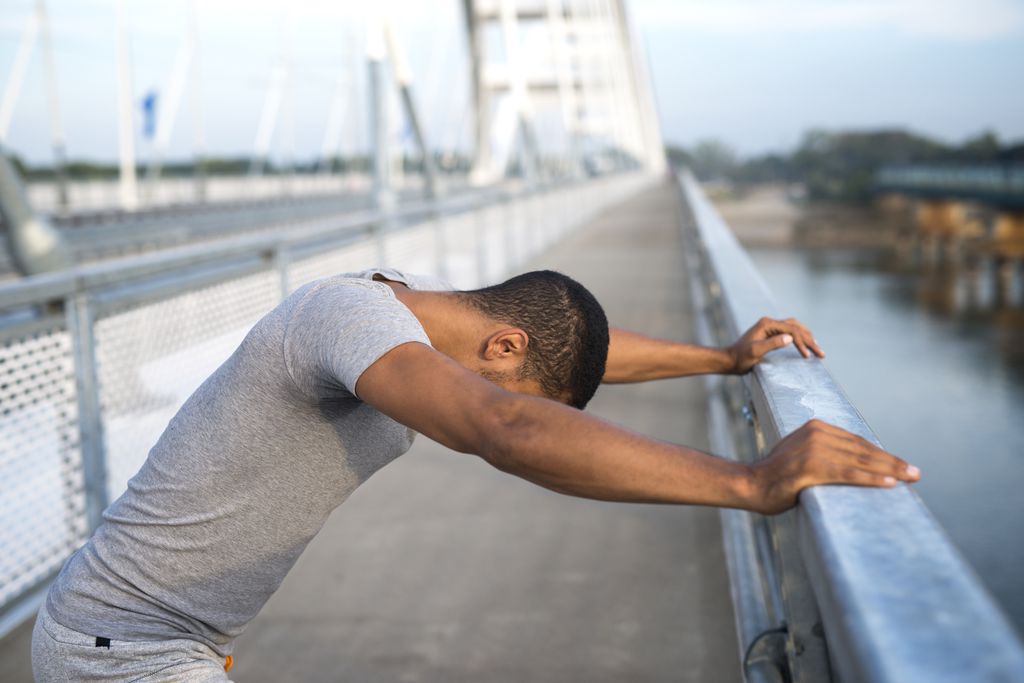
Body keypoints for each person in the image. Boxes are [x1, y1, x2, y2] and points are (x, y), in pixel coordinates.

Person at [31, 267, 919, 682]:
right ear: (500, 342)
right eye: (510, 372)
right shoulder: (347, 318)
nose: (486, 385)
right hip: (122, 648)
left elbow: (566, 358)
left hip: (158, 640)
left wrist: (722, 359)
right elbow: (505, 422)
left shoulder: (419, 312)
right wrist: (750, 482)